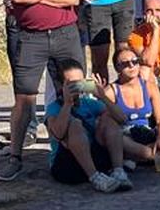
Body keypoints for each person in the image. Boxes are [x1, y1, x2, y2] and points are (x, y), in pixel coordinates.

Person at [0, 0, 88, 180]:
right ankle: (15, 156)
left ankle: (81, 147)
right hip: (31, 37)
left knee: (76, 90)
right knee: (24, 98)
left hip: (65, 33)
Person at [45, 61, 132, 192]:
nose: (78, 87)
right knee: (74, 124)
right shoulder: (54, 108)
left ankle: (118, 170)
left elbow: (122, 119)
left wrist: (103, 97)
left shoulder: (88, 103)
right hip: (67, 165)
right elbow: (58, 134)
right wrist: (67, 104)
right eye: (72, 84)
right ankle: (94, 177)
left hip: (94, 157)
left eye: (81, 83)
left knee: (108, 119)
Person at [107, 44, 160, 169]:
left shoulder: (149, 87)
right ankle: (156, 156)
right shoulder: (111, 91)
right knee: (118, 139)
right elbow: (103, 125)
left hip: (148, 135)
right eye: (126, 64)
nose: (131, 66)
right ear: (117, 68)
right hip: (127, 136)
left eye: (135, 61)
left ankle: (135, 157)